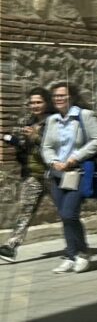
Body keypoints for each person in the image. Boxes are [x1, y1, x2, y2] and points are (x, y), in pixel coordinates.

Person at [42, 83, 97, 273]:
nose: (59, 99)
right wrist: (53, 162)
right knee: (65, 216)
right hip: (57, 174)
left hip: (78, 172)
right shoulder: (52, 120)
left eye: (63, 96)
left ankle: (83, 252)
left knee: (69, 213)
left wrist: (74, 158)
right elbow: (46, 147)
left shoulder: (84, 116)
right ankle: (71, 256)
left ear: (72, 97)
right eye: (55, 96)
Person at [0, 87, 51, 262]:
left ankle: (78, 246)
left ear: (46, 102)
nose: (35, 105)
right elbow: (22, 143)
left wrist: (37, 137)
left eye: (39, 102)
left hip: (54, 174)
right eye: (32, 102)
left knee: (68, 213)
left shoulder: (54, 122)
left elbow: (56, 146)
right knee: (26, 210)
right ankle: (11, 246)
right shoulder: (27, 121)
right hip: (33, 174)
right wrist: (11, 140)